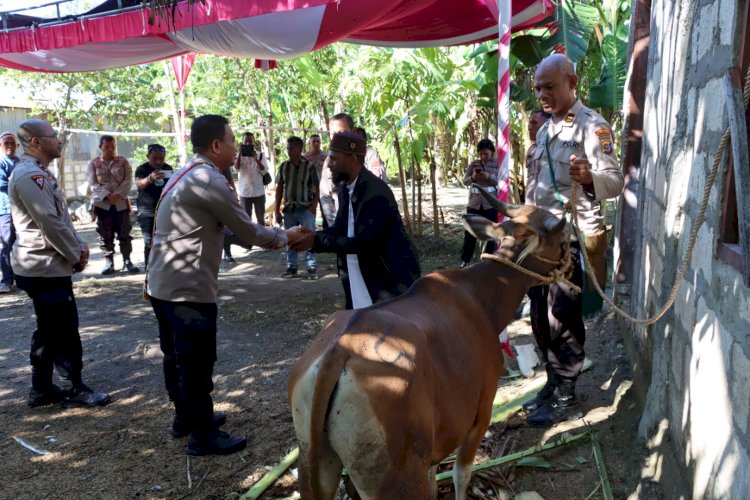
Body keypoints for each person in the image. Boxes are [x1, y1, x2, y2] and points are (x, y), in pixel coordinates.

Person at [147, 115, 287, 456]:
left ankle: (188, 417)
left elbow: (210, 228)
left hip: (162, 283)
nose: (236, 146)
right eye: (232, 140)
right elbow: (248, 230)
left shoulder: (184, 173)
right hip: (188, 289)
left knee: (175, 357)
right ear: (215, 146)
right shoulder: (210, 180)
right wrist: (285, 238)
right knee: (195, 362)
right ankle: (203, 435)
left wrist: (241, 237)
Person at [522, 54, 624, 426]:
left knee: (562, 317)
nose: (542, 94)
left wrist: (588, 178)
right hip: (538, 241)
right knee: (539, 314)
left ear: (572, 81)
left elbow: (615, 181)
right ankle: (551, 382)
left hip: (569, 242)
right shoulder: (546, 128)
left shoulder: (592, 127)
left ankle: (566, 391)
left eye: (549, 86)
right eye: (538, 88)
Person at [11, 119, 111, 408]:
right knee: (63, 329)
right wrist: (73, 255)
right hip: (43, 266)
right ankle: (72, 387)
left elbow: (61, 218)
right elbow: (49, 223)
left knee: (49, 328)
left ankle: (41, 389)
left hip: (46, 264)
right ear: (35, 142)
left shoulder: (41, 173)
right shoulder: (30, 175)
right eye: (52, 136)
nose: (58, 140)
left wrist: (79, 243)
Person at [290, 132, 420, 309]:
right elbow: (340, 228)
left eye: (334, 159)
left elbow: (364, 243)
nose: (330, 166)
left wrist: (317, 241)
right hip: (357, 272)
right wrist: (312, 236)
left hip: (388, 280)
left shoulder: (375, 193)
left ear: (351, 158)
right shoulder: (346, 188)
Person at [87, 135, 138, 274]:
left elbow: (128, 181)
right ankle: (109, 262)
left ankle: (127, 260)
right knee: (105, 234)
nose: (110, 149)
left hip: (121, 204)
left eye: (112, 146)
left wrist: (117, 195)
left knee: (125, 233)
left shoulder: (123, 162)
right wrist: (107, 195)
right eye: (107, 146)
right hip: (103, 205)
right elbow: (92, 183)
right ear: (100, 147)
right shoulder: (93, 163)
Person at [274, 136, 319, 280]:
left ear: (299, 149)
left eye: (291, 148)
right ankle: (291, 267)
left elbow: (317, 188)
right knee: (289, 238)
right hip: (289, 209)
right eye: (288, 148)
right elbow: (279, 188)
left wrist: (313, 206)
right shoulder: (284, 166)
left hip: (305, 208)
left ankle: (311, 268)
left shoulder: (309, 166)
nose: (289, 151)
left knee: (309, 237)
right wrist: (276, 210)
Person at [459, 139, 500, 268]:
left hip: (490, 203)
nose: (483, 156)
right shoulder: (474, 164)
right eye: (481, 154)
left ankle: (488, 261)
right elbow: (465, 181)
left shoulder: (498, 164)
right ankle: (466, 260)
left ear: (492, 152)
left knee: (491, 232)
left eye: (486, 154)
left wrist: (489, 177)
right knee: (470, 231)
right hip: (474, 203)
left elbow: (502, 181)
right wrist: (473, 178)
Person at [134, 144, 173, 268]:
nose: (158, 161)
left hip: (165, 210)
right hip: (147, 211)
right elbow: (139, 185)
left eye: (161, 158)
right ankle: (149, 269)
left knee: (166, 240)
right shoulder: (142, 169)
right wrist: (150, 178)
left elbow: (173, 186)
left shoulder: (168, 168)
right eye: (154, 158)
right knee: (149, 241)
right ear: (148, 156)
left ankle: (165, 267)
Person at [319, 113, 355, 227]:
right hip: (341, 231)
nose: (337, 138)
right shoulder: (328, 164)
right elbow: (325, 197)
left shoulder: (368, 157)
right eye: (333, 134)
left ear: (353, 131)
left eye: (341, 132)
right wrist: (336, 228)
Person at [234, 132, 270, 225]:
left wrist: (256, 159)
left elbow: (264, 170)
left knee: (261, 220)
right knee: (246, 220)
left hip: (259, 192)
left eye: (250, 141)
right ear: (242, 142)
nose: (248, 143)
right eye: (246, 141)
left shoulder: (260, 155)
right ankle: (248, 239)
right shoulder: (239, 156)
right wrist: (239, 155)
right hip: (245, 192)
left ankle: (262, 239)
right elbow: (236, 168)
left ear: (254, 142)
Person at [0, 131, 20, 293]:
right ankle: (6, 281)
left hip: (22, 210)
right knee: (7, 243)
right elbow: (2, 184)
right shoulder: (1, 163)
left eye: (13, 143)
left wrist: (12, 180)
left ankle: (21, 278)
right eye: (7, 143)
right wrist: (15, 182)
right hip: (5, 210)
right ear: (1, 146)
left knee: (22, 242)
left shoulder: (21, 162)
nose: (10, 147)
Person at [524, 110, 551, 205]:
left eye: (534, 123)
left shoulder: (553, 149)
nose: (530, 127)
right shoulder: (531, 149)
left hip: (548, 205)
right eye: (529, 124)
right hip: (531, 203)